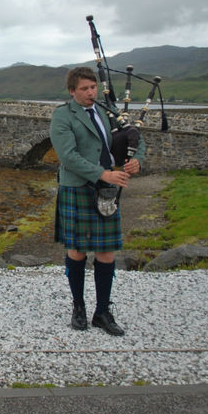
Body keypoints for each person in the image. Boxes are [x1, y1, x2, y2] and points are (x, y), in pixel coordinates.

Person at [49, 67, 144, 336]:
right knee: (77, 250)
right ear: (72, 91)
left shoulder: (108, 111)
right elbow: (68, 156)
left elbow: (134, 137)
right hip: (78, 187)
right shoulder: (63, 115)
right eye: (84, 89)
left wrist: (137, 160)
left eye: (93, 87)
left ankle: (102, 311)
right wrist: (103, 173)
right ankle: (78, 307)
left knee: (106, 252)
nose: (91, 93)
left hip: (107, 189)